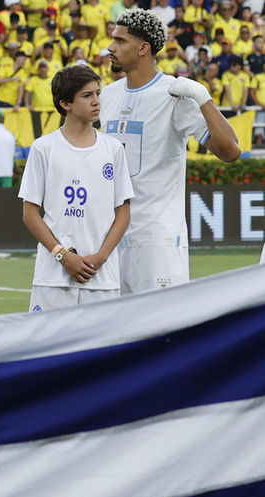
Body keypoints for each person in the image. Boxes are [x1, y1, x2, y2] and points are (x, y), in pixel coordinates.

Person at [102, 8, 240, 293]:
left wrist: (203, 98)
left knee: (160, 331)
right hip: (111, 238)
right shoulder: (107, 95)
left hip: (157, 241)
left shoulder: (175, 93)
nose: (110, 47)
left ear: (143, 48)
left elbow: (230, 151)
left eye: (120, 41)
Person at [19, 65, 133, 312]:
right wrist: (62, 255)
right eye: (87, 95)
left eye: (97, 93)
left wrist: (100, 258)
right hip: (53, 279)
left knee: (104, 352)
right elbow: (29, 213)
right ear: (65, 104)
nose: (96, 101)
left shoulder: (113, 148)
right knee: (49, 350)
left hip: (102, 280)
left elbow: (123, 213)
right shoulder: (43, 148)